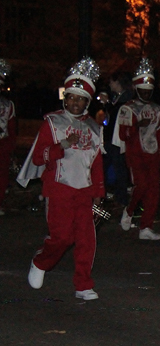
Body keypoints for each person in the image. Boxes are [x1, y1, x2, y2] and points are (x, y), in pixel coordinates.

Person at [17, 57, 104, 300]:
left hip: (84, 192)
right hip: (59, 189)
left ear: (88, 101)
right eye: (71, 97)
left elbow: (96, 163)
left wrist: (99, 192)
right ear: (65, 98)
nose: (75, 103)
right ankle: (41, 261)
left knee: (87, 239)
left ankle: (83, 284)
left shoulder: (95, 129)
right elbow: (37, 158)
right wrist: (62, 145)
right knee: (62, 237)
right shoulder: (52, 123)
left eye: (80, 99)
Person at [116, 58, 160, 240]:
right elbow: (123, 134)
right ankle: (129, 211)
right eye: (143, 89)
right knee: (141, 185)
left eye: (149, 90)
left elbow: (158, 133)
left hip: (152, 153)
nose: (146, 93)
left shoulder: (157, 109)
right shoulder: (128, 109)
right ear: (136, 88)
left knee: (153, 190)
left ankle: (146, 227)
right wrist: (137, 125)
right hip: (135, 154)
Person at [103, 71, 134, 205]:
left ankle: (121, 198)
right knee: (109, 166)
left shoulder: (126, 98)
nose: (110, 84)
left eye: (111, 81)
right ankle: (113, 194)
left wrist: (108, 105)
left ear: (117, 82)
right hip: (112, 138)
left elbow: (118, 115)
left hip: (117, 139)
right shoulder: (118, 97)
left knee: (118, 167)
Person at [0, 59, 17, 216]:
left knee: (2, 175)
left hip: (2, 143)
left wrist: (11, 145)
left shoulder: (7, 104)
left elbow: (11, 127)